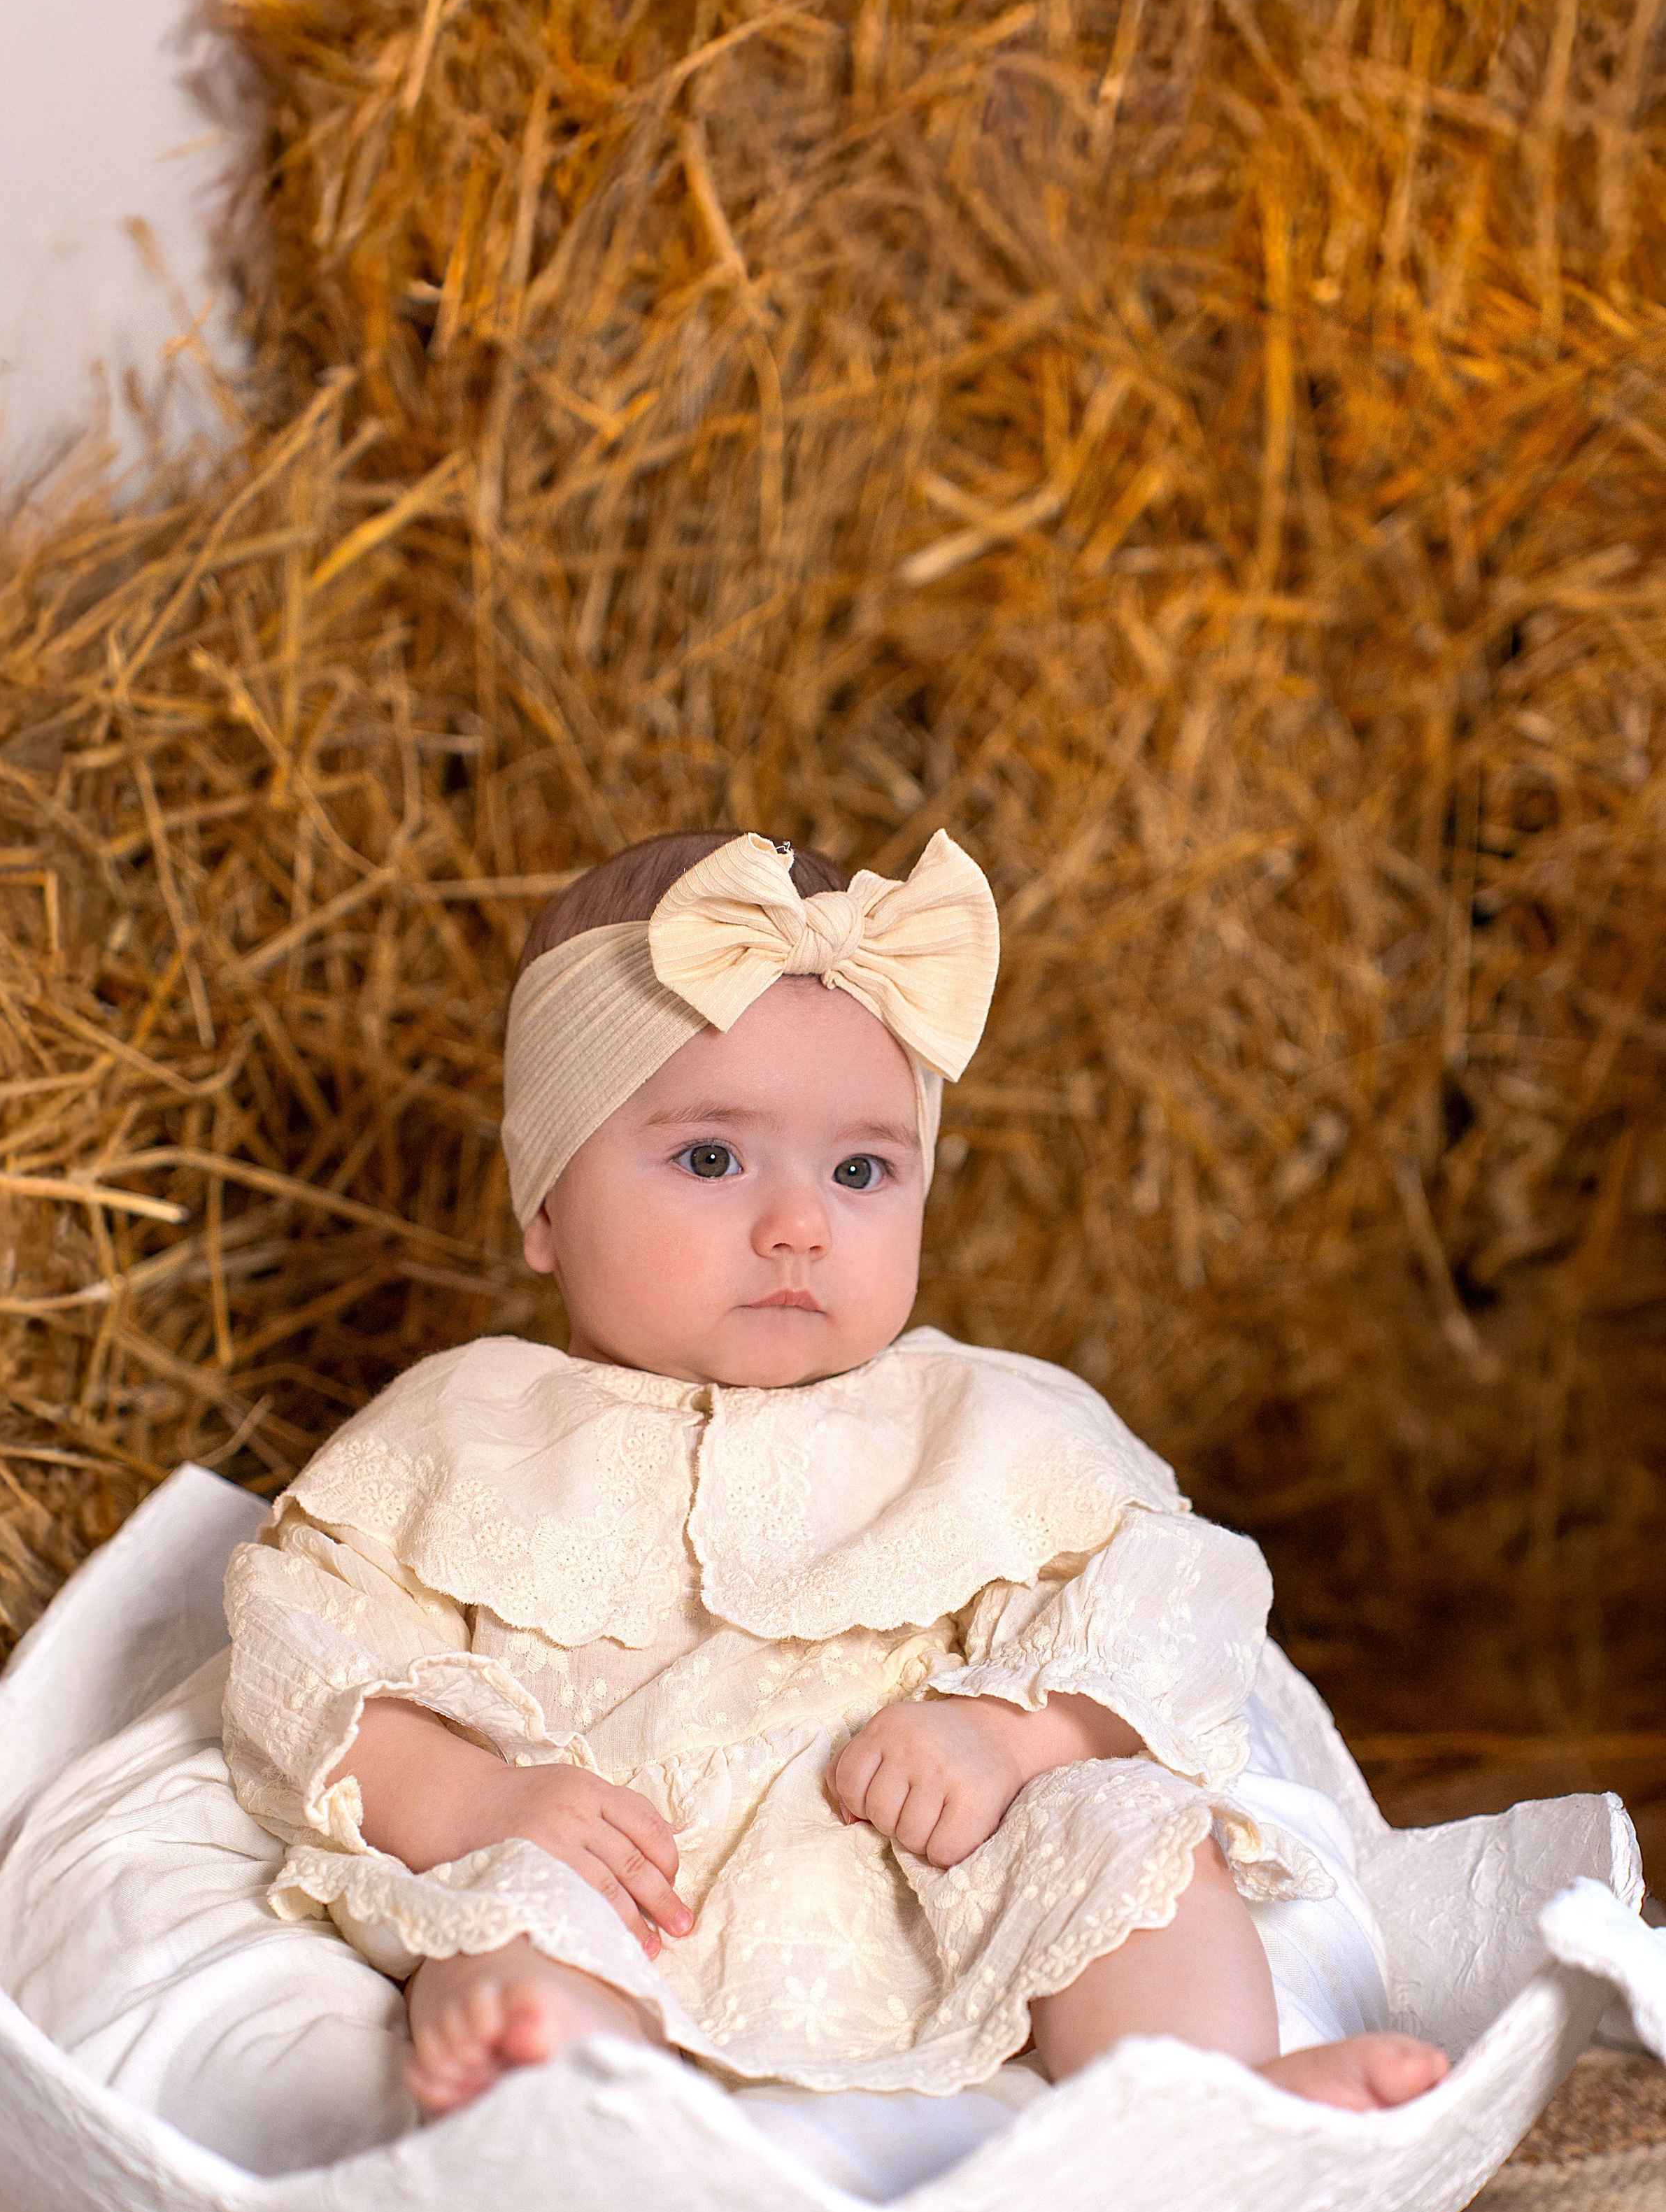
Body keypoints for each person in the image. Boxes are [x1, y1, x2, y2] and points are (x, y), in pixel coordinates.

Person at [221, 829, 1448, 2121]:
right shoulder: (459, 1434)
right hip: (634, 1886)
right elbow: (311, 1651)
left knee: (1131, 1832)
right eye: (711, 1158)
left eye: (861, 1170)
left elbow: (1173, 1600)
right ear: (543, 1201)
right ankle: (562, 2094)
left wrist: (1016, 1733)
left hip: (949, 1880)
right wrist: (477, 1796)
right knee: (514, 1914)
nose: (799, 1223)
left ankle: (1212, 2100)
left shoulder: (979, 1419)